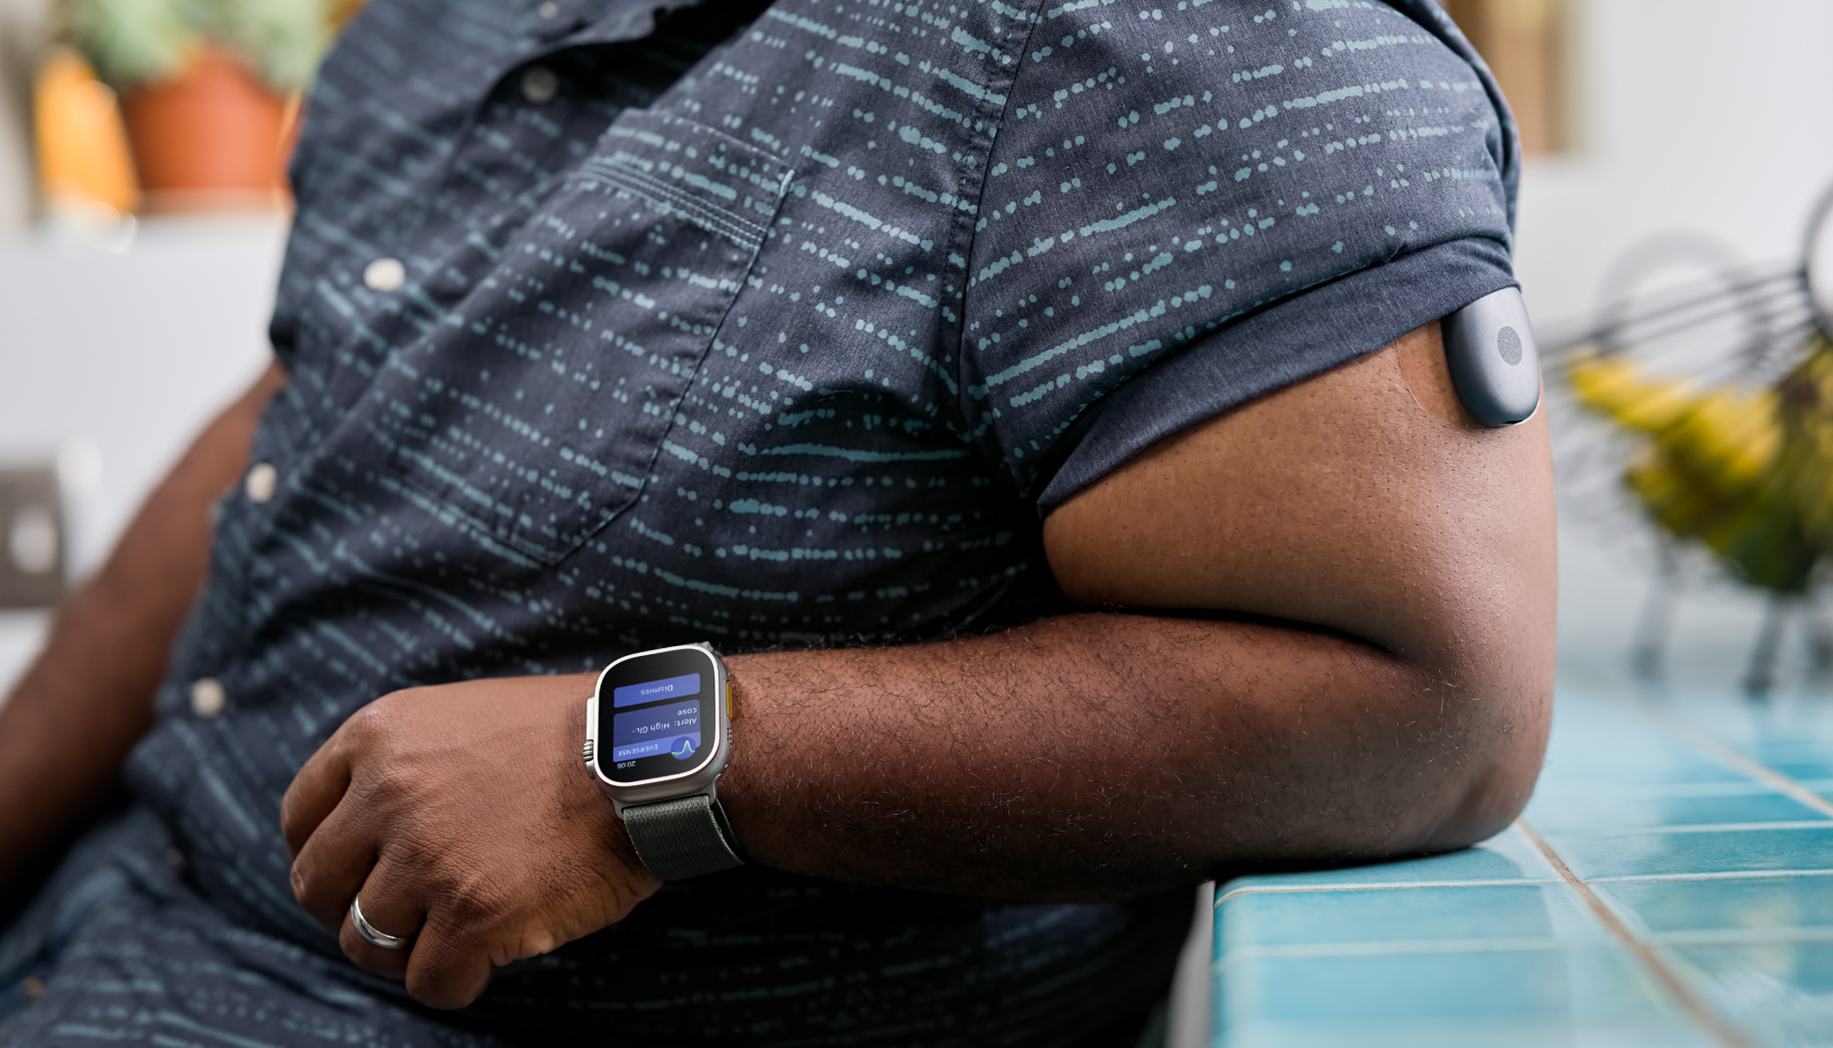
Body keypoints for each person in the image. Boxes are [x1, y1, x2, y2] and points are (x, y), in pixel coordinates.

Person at [0, 0, 1554, 1043]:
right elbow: (315, 388)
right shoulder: (449, 22)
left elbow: (1436, 705)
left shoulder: (1188, 43)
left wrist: (641, 765)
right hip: (93, 937)